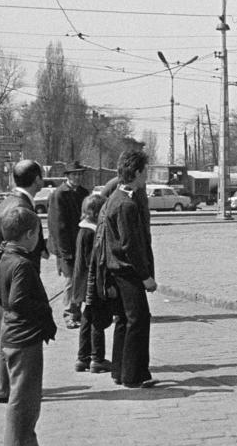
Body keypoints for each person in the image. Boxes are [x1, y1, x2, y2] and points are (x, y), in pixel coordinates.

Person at [0, 208, 58, 446]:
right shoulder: (22, 264)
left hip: (13, 333)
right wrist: (43, 313)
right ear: (30, 235)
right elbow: (16, 300)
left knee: (25, 395)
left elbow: (0, 298)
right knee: (25, 397)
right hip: (24, 336)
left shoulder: (5, 258)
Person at [0, 161, 48, 404]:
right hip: (19, 278)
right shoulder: (22, 209)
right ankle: (7, 387)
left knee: (3, 329)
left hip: (4, 276)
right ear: (37, 180)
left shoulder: (5, 204)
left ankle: (1, 385)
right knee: (14, 332)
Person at [96, 149, 157, 388]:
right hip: (127, 271)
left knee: (123, 319)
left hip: (117, 269)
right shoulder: (126, 205)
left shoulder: (116, 199)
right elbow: (131, 245)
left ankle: (119, 371)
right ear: (137, 172)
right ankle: (134, 375)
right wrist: (146, 277)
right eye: (145, 171)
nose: (146, 176)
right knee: (138, 320)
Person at [73, 193, 113, 374]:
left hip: (83, 282)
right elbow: (94, 262)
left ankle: (82, 358)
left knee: (87, 319)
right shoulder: (91, 233)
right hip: (92, 283)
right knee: (97, 319)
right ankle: (97, 358)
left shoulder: (83, 230)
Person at [47, 163, 89, 328]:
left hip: (81, 244)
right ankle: (69, 313)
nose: (77, 177)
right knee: (71, 280)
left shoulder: (84, 193)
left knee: (81, 279)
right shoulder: (59, 195)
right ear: (67, 176)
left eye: (80, 174)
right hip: (67, 247)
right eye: (74, 175)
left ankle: (77, 311)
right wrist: (64, 252)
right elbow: (57, 226)